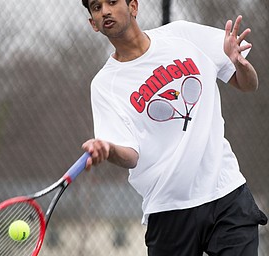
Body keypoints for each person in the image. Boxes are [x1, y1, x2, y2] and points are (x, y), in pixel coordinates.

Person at [80, 0, 268, 255]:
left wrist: (240, 65)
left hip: (225, 192)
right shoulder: (104, 85)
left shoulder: (184, 35)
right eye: (96, 7)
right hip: (167, 209)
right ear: (93, 23)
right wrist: (108, 149)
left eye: (112, 2)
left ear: (133, 6)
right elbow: (130, 155)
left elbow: (248, 85)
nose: (105, 11)